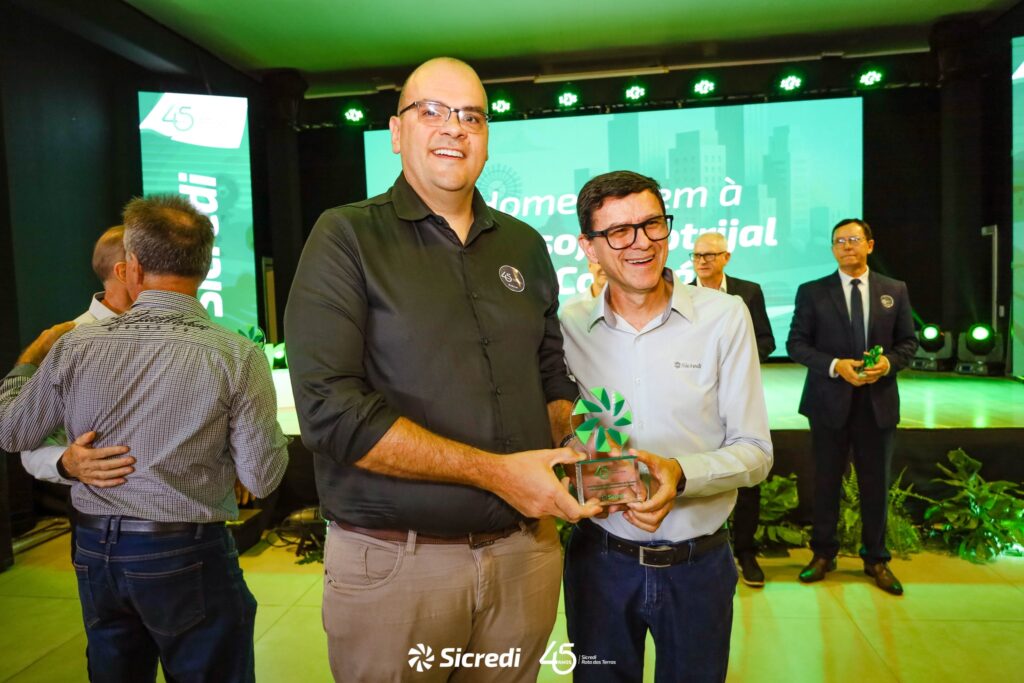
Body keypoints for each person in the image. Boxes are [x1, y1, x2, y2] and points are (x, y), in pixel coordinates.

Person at [284, 57, 599, 683]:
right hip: (399, 565)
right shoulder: (345, 235)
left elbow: (549, 369)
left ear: (487, 139)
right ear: (396, 132)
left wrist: (575, 436)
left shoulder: (524, 244)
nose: (454, 127)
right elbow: (329, 411)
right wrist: (498, 474)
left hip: (525, 555)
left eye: (472, 117)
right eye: (432, 111)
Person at [0, 194, 289, 682]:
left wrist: (30, 358)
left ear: (132, 266)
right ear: (205, 268)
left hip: (95, 550)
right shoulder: (236, 355)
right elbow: (261, 477)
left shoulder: (74, 346)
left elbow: (11, 431)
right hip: (187, 552)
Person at [560, 170, 773, 682]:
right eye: (619, 231)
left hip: (698, 567)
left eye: (652, 224)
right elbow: (563, 423)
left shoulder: (724, 316)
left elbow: (756, 452)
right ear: (589, 247)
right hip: (599, 565)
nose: (642, 243)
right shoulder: (569, 326)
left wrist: (680, 475)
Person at [787, 218, 917, 596]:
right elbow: (797, 344)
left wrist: (888, 364)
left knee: (875, 484)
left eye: (854, 239)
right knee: (825, 482)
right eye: (839, 241)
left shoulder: (894, 290)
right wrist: (835, 365)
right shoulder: (813, 291)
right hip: (828, 403)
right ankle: (823, 554)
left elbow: (908, 343)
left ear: (869, 245)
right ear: (832, 249)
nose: (846, 246)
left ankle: (876, 558)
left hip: (877, 405)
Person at [689, 231, 776, 587]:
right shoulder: (680, 294)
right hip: (696, 401)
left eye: (710, 255)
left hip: (738, 396)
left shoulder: (748, 292)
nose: (702, 261)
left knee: (746, 468)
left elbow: (767, 340)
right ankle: (702, 545)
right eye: (697, 255)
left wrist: (736, 361)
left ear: (726, 257)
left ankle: (746, 551)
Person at [20, 225, 132, 486]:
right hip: (103, 501)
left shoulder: (180, 335)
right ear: (125, 272)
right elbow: (30, 445)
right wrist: (67, 463)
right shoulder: (68, 344)